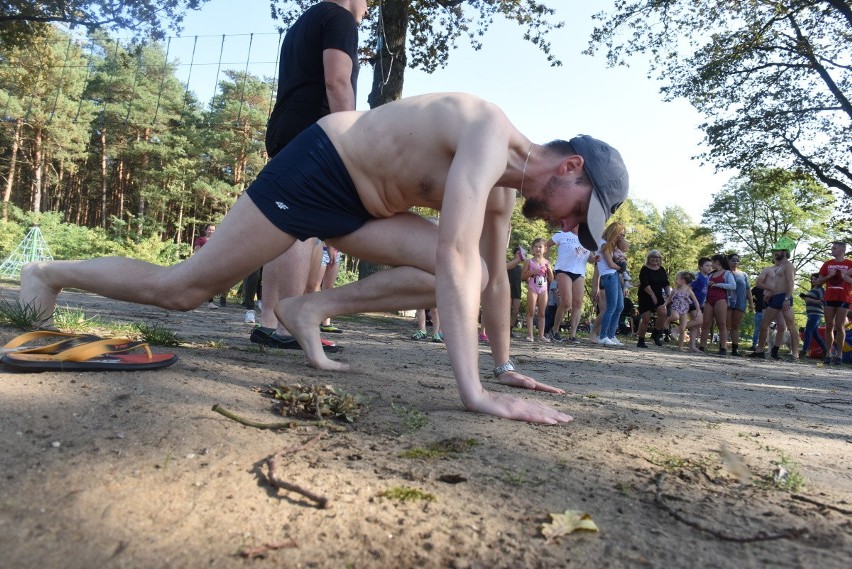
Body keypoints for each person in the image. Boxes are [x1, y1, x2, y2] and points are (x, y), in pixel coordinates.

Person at [19, 92, 631, 424]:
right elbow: (453, 254)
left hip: (363, 213)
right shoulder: (488, 131)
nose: (571, 226)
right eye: (581, 211)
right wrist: (474, 395)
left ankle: (310, 308)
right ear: (570, 167)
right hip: (319, 170)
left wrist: (502, 368)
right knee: (182, 290)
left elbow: (491, 278)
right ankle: (49, 272)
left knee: (467, 271)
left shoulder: (503, 192)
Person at [251, 0, 366, 350]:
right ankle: (291, 329)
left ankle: (269, 321)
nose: (367, 8)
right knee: (301, 227)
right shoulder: (340, 19)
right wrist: (351, 142)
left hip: (285, 126)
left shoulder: (306, 21)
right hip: (312, 129)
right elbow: (336, 81)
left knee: (281, 224)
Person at [751, 239, 800, 360]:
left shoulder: (788, 265)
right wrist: (770, 293)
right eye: (775, 251)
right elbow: (774, 284)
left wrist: (787, 298)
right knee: (765, 324)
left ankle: (795, 354)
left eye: (778, 251)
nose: (775, 253)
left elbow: (791, 282)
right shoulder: (778, 267)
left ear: (784, 252)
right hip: (775, 297)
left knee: (791, 325)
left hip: (784, 296)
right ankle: (760, 350)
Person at [545, 228, 591, 343]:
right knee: (566, 303)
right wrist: (547, 263)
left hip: (579, 272)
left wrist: (596, 259)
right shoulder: (562, 234)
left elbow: (590, 256)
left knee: (578, 303)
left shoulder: (586, 238)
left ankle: (573, 335)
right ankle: (555, 330)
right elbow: (546, 245)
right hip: (563, 270)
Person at [817, 241, 852, 365]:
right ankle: (828, 353)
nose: (832, 250)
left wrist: (845, 277)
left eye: (834, 248)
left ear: (842, 250)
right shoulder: (828, 264)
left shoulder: (849, 264)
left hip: (844, 298)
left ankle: (839, 354)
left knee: (840, 325)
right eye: (832, 247)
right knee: (829, 325)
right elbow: (817, 282)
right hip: (829, 297)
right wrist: (828, 276)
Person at [596, 222, 627, 346]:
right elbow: (610, 264)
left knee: (620, 307)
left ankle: (611, 335)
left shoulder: (611, 246)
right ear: (614, 231)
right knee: (611, 306)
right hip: (608, 276)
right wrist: (622, 269)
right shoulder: (604, 244)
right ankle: (602, 336)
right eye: (621, 234)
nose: (622, 236)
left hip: (614, 275)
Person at [700, 254, 735, 355]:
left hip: (720, 299)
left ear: (717, 262)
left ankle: (723, 347)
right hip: (709, 299)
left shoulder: (727, 273)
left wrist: (718, 285)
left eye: (712, 262)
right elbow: (705, 286)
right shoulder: (711, 274)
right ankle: (702, 346)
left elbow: (733, 286)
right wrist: (708, 283)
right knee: (706, 323)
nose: (711, 265)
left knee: (721, 323)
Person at [521, 238, 554, 342]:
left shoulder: (547, 262)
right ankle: (530, 335)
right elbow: (522, 277)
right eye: (535, 247)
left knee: (542, 313)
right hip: (532, 287)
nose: (538, 249)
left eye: (540, 247)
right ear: (532, 249)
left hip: (543, 289)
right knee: (531, 311)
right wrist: (531, 273)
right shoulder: (529, 262)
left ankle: (541, 335)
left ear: (545, 249)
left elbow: (551, 279)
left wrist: (549, 270)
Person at [636, 250, 670, 348]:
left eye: (657, 257)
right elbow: (645, 284)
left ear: (660, 259)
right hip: (645, 295)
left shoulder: (662, 269)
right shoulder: (644, 269)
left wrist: (668, 294)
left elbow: (666, 283)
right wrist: (652, 295)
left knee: (663, 313)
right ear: (649, 259)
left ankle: (656, 334)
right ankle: (641, 340)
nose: (655, 259)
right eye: (653, 257)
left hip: (658, 295)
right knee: (646, 319)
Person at [664, 271, 702, 352]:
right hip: (675, 308)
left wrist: (698, 310)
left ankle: (680, 347)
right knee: (675, 317)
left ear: (683, 280)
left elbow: (695, 301)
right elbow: (669, 299)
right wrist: (664, 305)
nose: (675, 281)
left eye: (677, 279)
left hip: (684, 311)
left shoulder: (689, 290)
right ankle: (667, 320)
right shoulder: (675, 290)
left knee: (682, 329)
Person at [193, 224, 227, 309]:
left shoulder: (218, 241)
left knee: (211, 283)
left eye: (213, 230)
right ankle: (200, 300)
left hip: (214, 265)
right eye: (209, 230)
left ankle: (211, 301)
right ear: (205, 230)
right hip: (202, 264)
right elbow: (197, 250)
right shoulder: (200, 239)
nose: (211, 231)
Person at [726, 253, 753, 356]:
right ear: (728, 261)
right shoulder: (725, 273)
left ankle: (735, 348)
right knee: (726, 324)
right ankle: (722, 346)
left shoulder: (743, 274)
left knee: (735, 325)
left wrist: (751, 303)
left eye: (737, 260)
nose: (735, 262)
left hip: (740, 302)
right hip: (727, 301)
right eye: (733, 259)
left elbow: (748, 290)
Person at [800, 272, 827, 359]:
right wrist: (806, 299)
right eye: (812, 279)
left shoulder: (821, 290)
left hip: (816, 314)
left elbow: (822, 302)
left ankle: (804, 351)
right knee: (815, 334)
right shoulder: (812, 290)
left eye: (815, 279)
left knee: (808, 331)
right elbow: (810, 300)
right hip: (810, 313)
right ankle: (825, 350)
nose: (813, 281)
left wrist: (809, 300)